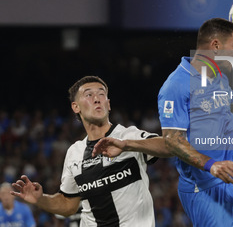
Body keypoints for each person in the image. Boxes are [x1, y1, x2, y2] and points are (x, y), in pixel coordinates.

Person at [93, 18, 233, 227]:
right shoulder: (176, 86)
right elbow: (172, 142)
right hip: (202, 187)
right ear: (215, 46)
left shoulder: (216, 77)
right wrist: (211, 165)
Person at [11, 75, 170, 227]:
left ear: (108, 104)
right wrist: (41, 199)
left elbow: (170, 146)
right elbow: (68, 204)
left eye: (102, 94)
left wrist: (127, 145)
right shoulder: (75, 152)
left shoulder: (129, 136)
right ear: (76, 107)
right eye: (89, 95)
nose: (97, 98)